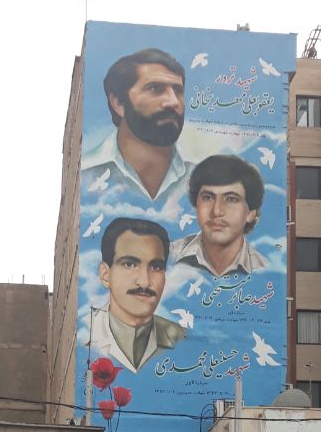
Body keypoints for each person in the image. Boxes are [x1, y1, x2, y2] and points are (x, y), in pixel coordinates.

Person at [81, 48, 190, 203]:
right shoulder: (84, 172)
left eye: (178, 90)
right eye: (155, 88)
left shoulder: (202, 173)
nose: (173, 101)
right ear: (119, 103)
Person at [87, 217, 188, 372]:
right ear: (106, 275)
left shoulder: (180, 337)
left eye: (156, 267)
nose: (144, 282)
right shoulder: (85, 334)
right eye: (130, 264)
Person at [170, 155, 267, 277]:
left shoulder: (264, 270)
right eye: (208, 197)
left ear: (250, 214)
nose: (216, 211)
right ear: (196, 206)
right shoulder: (166, 256)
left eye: (231, 199)